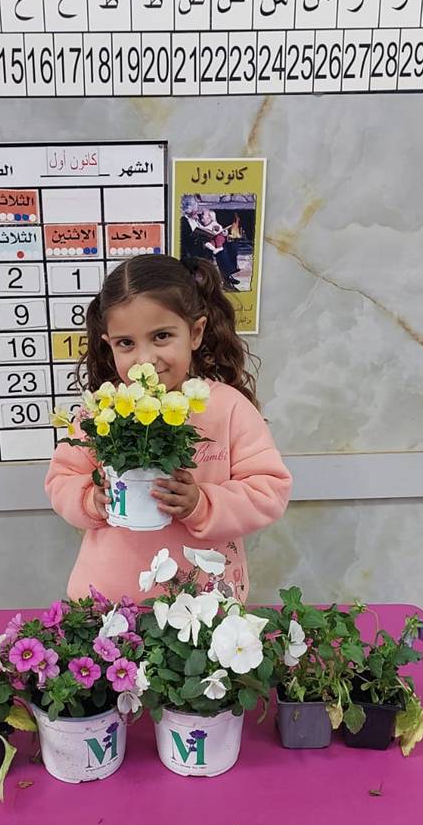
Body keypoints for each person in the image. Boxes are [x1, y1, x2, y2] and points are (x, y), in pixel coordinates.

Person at [45, 254, 292, 604]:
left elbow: (269, 490)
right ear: (108, 343)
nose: (145, 359)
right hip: (109, 599)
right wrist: (89, 498)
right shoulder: (102, 408)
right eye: (126, 343)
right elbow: (61, 478)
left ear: (195, 333)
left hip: (203, 602)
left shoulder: (228, 408)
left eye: (161, 336)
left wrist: (202, 503)